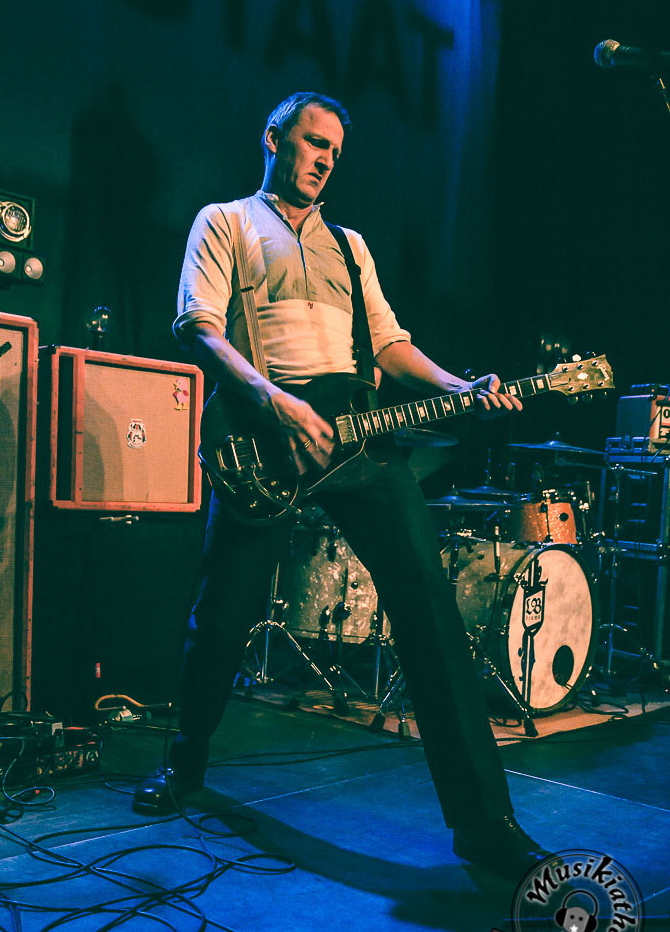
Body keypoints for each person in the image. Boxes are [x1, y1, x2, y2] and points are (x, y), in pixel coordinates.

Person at [133, 91, 549, 879]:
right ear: (273, 139)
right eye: (312, 142)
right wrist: (275, 403)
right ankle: (183, 763)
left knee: (430, 613)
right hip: (262, 436)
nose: (324, 159)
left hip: (357, 442)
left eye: (334, 150)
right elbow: (199, 327)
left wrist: (461, 388)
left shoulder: (351, 247)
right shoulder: (225, 221)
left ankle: (485, 826)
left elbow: (389, 345)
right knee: (220, 618)